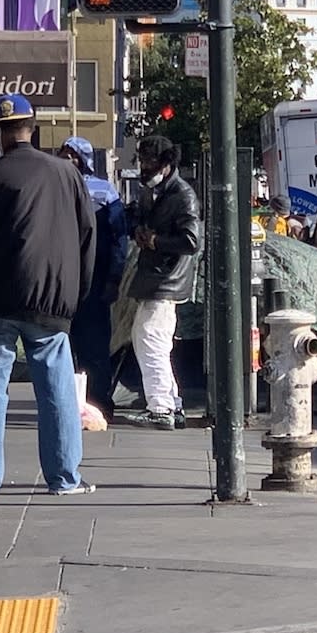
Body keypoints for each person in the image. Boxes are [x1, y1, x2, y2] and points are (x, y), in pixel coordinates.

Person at [0, 94, 97, 497]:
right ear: (32, 128)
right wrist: (76, 291)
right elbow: (88, 237)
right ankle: (64, 477)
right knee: (56, 390)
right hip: (52, 299)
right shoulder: (66, 175)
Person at [125, 135, 202, 431]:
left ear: (167, 164)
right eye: (142, 161)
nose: (144, 167)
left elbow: (191, 240)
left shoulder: (181, 195)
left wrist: (156, 241)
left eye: (150, 162)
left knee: (149, 338)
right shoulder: (156, 191)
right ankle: (171, 402)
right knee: (151, 338)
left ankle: (161, 407)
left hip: (165, 279)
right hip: (159, 278)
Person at [58, 137, 128, 420]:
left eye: (73, 155)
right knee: (63, 345)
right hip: (62, 282)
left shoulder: (104, 191)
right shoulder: (54, 187)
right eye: (64, 153)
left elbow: (118, 239)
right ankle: (66, 402)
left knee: (95, 345)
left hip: (95, 281)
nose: (68, 159)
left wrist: (114, 277)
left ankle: (99, 400)